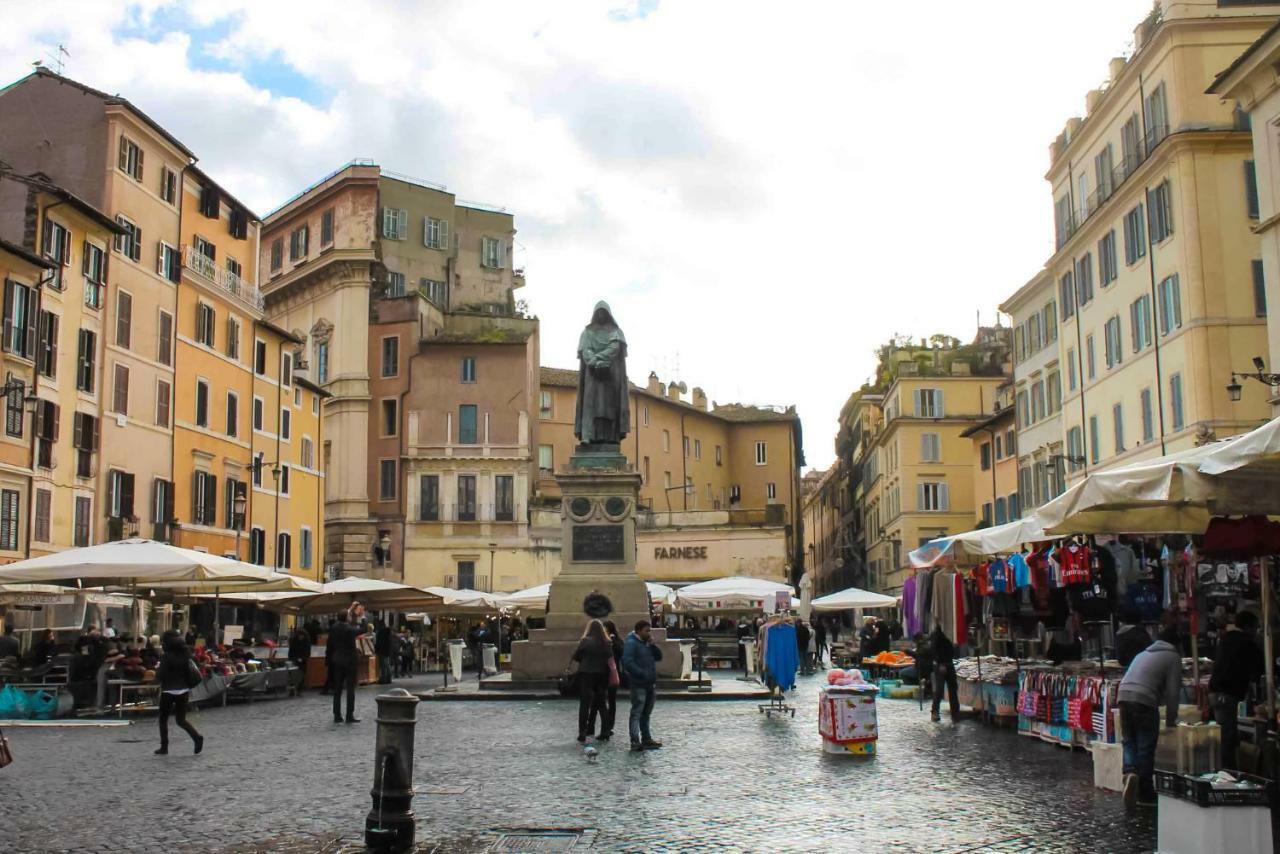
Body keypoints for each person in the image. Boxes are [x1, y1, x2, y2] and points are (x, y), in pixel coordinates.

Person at [1118, 625, 1183, 808]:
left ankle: (1130, 771)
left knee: (1129, 740)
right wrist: (1171, 719)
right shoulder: (1173, 657)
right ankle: (1145, 792)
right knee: (1146, 745)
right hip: (1145, 700)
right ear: (1176, 644)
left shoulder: (1143, 653)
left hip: (1123, 696)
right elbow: (1173, 693)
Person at [1210, 610, 1264, 770]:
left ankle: (1225, 771)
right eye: (1255, 628)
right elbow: (1259, 668)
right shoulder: (1247, 643)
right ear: (1248, 627)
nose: (1256, 632)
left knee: (1225, 735)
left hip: (1215, 694)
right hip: (1227, 695)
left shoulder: (1226, 639)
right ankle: (1228, 775)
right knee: (1227, 737)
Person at [154, 634, 203, 756]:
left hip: (168, 691)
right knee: (181, 720)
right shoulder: (186, 656)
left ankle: (164, 747)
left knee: (163, 719)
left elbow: (161, 674)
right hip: (183, 691)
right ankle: (196, 737)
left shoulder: (166, 657)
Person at [622, 620, 664, 751]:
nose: (649, 633)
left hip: (650, 683)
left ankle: (646, 739)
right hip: (639, 683)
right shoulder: (631, 643)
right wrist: (641, 673)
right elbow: (627, 661)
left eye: (649, 630)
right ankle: (635, 740)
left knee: (646, 713)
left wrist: (653, 645)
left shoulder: (647, 643)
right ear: (639, 630)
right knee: (637, 712)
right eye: (647, 630)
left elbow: (659, 657)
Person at [572, 620, 612, 743]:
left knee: (584, 704)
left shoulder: (585, 641)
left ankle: (582, 732)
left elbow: (577, 656)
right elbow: (609, 657)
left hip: (586, 673)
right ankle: (605, 731)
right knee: (601, 704)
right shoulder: (607, 642)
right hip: (601, 674)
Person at [591, 620, 625, 740]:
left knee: (611, 701)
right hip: (602, 673)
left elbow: (621, 652)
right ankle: (602, 728)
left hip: (611, 674)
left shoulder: (616, 641)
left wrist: (613, 641)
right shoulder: (601, 640)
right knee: (600, 702)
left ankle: (608, 728)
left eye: (605, 628)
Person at [328, 611, 359, 724]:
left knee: (337, 689)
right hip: (350, 661)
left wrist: (329, 659)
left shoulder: (334, 628)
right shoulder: (349, 629)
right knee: (350, 688)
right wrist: (360, 617)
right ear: (347, 618)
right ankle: (349, 715)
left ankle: (337, 715)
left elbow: (329, 644)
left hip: (337, 660)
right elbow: (363, 629)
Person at [930, 626, 959, 722]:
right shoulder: (940, 637)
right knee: (942, 689)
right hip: (943, 665)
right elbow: (935, 650)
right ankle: (937, 711)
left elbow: (935, 651)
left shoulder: (944, 636)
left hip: (946, 664)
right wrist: (940, 662)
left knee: (949, 689)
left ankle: (954, 713)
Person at [288, 624, 312, 689]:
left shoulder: (306, 641)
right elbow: (291, 650)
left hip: (302, 660)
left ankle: (299, 688)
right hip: (295, 658)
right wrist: (292, 658)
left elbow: (307, 651)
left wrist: (303, 658)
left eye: (302, 636)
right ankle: (293, 688)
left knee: (301, 673)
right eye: (300, 636)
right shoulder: (294, 640)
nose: (301, 637)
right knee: (293, 674)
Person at [374, 619, 393, 685]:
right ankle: (389, 678)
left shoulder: (381, 632)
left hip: (382, 651)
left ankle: (384, 679)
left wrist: (376, 650)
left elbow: (379, 642)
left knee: (383, 665)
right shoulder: (388, 632)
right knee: (387, 665)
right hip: (387, 651)